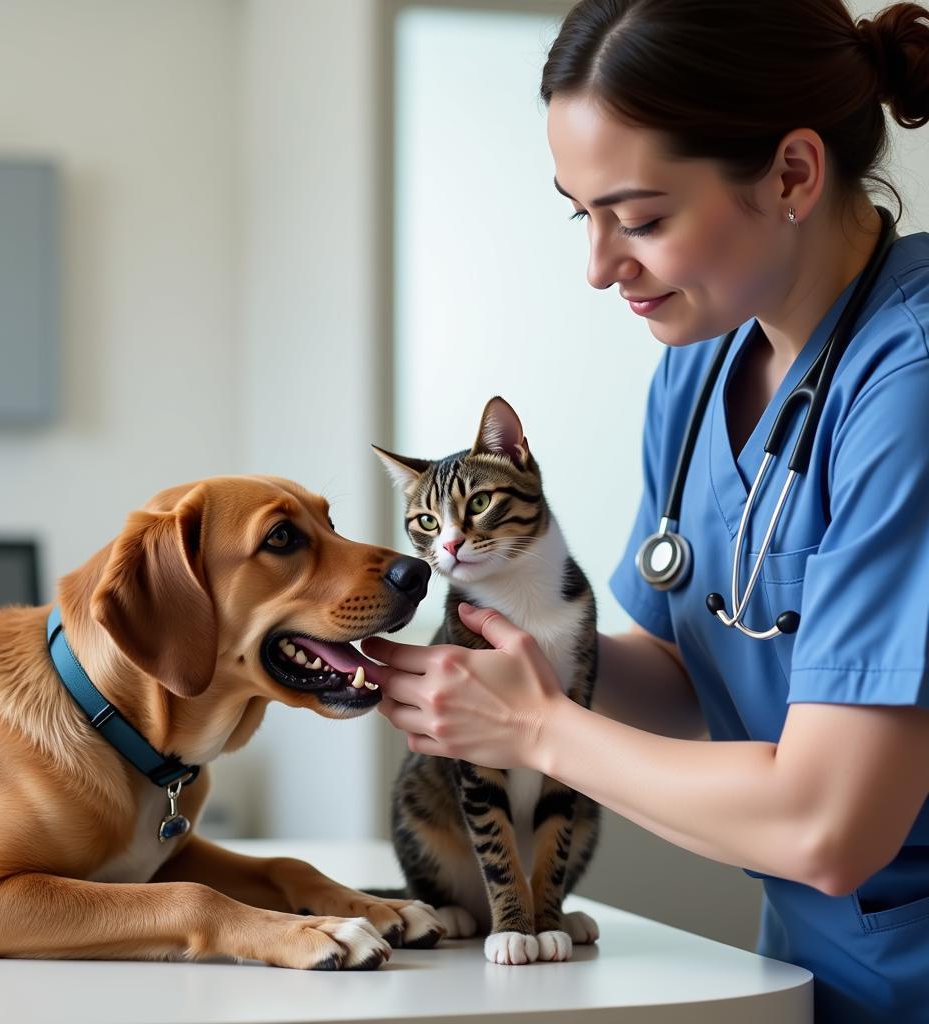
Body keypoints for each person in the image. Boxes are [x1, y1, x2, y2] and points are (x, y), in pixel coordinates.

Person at [361, 1, 929, 1019]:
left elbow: (830, 825)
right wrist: (519, 642)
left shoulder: (911, 386)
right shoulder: (703, 362)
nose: (597, 264)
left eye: (642, 217)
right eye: (579, 213)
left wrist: (536, 727)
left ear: (792, 174)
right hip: (806, 971)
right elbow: (685, 671)